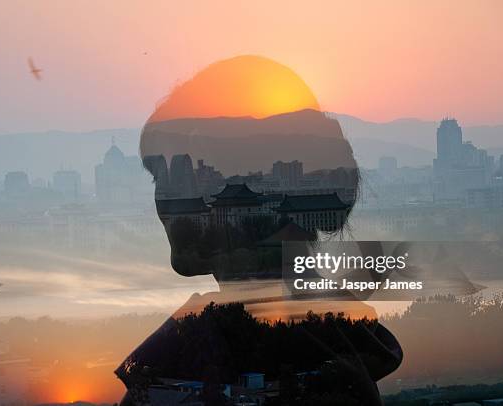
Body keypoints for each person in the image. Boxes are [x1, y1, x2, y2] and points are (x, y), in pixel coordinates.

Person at [115, 55, 402, 405]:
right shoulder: (337, 342)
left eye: (175, 174)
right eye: (161, 176)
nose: (162, 199)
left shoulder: (201, 360)